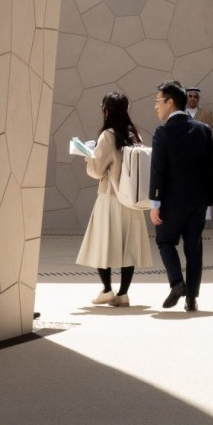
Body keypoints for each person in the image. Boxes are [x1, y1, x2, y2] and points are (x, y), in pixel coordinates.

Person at [75, 90, 153, 304]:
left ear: (106, 110)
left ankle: (107, 289)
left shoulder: (108, 135)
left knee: (102, 243)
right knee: (129, 246)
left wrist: (88, 158)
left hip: (109, 197)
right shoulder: (134, 135)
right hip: (132, 199)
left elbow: (97, 170)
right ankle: (123, 293)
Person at [149, 79, 213, 311]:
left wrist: (154, 203)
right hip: (198, 202)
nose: (156, 106)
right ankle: (192, 298)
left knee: (165, 241)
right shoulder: (203, 130)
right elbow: (211, 166)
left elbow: (158, 170)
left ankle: (177, 283)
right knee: (193, 248)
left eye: (158, 101)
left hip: (171, 202)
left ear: (170, 102)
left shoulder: (162, 133)